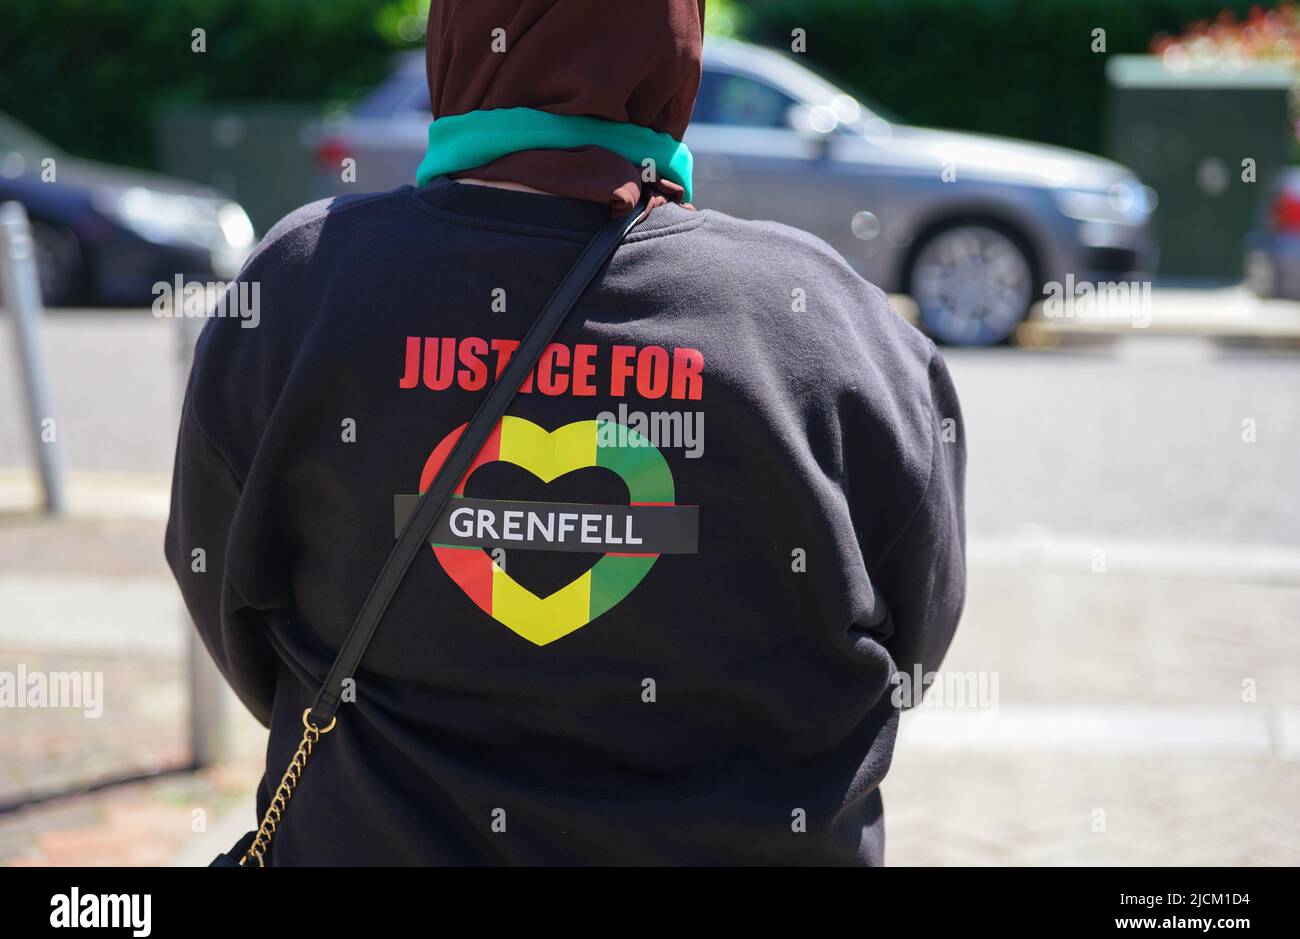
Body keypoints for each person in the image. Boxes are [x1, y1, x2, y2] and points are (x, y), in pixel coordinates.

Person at [165, 0, 965, 865]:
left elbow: (225, 592)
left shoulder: (301, 287)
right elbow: (914, 631)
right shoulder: (828, 318)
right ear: (677, 53)